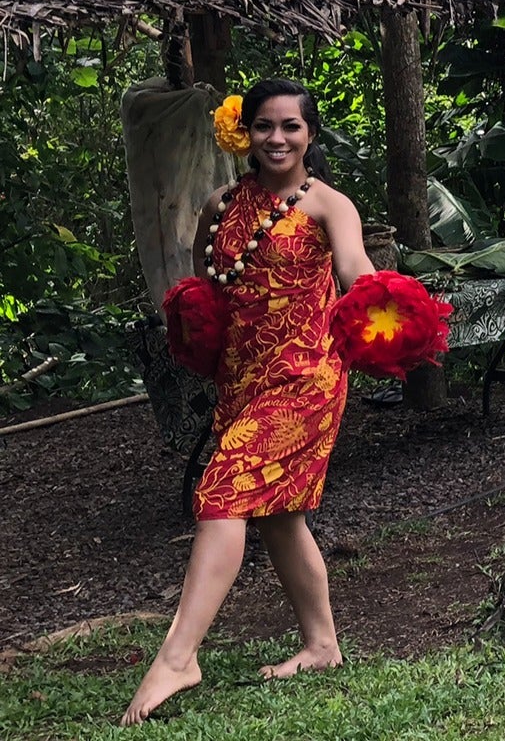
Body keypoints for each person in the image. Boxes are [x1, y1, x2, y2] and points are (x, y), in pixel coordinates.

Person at [123, 78, 375, 725]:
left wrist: (384, 302)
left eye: (291, 126)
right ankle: (322, 645)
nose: (277, 138)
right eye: (265, 125)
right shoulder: (220, 204)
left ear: (310, 135)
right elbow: (209, 289)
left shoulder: (329, 206)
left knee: (222, 494)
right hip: (242, 380)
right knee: (277, 515)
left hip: (306, 378)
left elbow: (356, 270)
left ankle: (179, 656)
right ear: (245, 132)